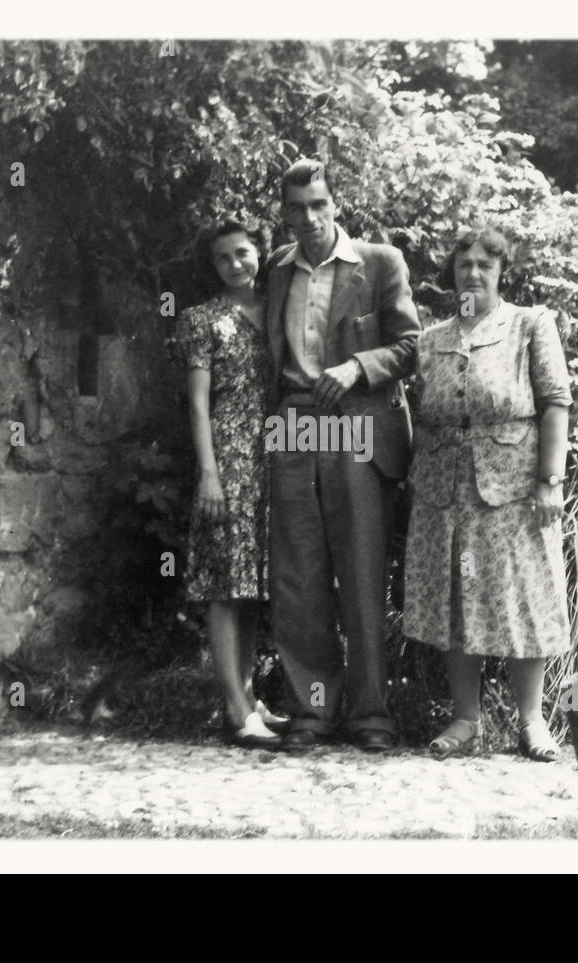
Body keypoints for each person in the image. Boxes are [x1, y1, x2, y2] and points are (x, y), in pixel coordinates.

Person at [264, 159, 421, 753]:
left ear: (336, 205)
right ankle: (313, 709)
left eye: (319, 205)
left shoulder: (380, 263)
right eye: (297, 208)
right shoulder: (277, 269)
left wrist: (359, 366)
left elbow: (410, 346)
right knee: (299, 573)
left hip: (356, 422)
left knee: (360, 572)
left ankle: (371, 715)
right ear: (283, 213)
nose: (309, 218)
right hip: (295, 422)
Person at [402, 226, 574, 761]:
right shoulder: (431, 340)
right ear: (452, 274)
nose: (473, 273)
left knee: (521, 599)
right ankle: (466, 719)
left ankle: (531, 722)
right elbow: (422, 416)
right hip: (444, 493)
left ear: (502, 272)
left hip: (515, 491)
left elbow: (555, 403)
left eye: (484, 265)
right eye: (463, 265)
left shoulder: (529, 325)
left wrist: (550, 481)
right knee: (457, 600)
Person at [173, 218, 286, 748]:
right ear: (213, 267)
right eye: (224, 258)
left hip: (272, 459)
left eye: (243, 253)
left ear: (259, 252)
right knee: (224, 583)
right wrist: (209, 475)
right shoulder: (200, 320)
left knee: (253, 585)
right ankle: (236, 708)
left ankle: (247, 695)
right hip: (228, 458)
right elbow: (197, 403)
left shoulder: (277, 310)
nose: (236, 264)